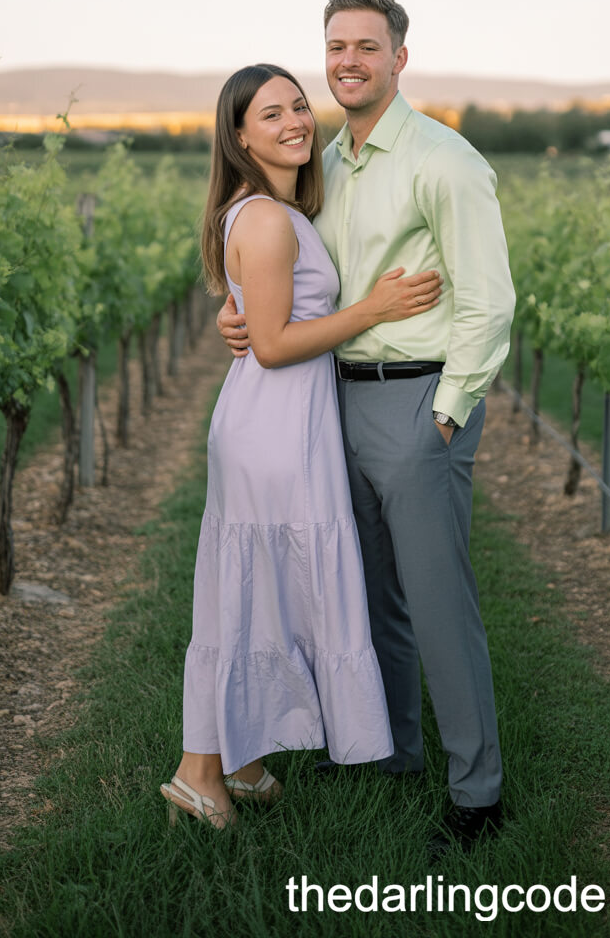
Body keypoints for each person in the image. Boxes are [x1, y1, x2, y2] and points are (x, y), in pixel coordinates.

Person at [218, 0, 516, 853]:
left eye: (366, 47)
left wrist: (451, 413)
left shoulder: (444, 160)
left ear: (399, 59)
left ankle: (478, 795)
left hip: (419, 402)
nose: (348, 62)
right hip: (333, 396)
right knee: (366, 589)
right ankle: (390, 752)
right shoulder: (330, 161)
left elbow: (489, 304)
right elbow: (289, 274)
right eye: (335, 46)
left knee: (437, 604)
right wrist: (238, 318)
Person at [161, 62, 443, 828]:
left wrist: (241, 316)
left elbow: (256, 318)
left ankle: (243, 760)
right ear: (240, 136)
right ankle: (198, 772)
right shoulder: (263, 218)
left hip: (284, 424)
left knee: (266, 593)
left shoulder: (274, 214)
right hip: (273, 430)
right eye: (270, 114)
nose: (293, 122)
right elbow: (279, 345)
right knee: (252, 599)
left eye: (296, 105)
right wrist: (375, 307)